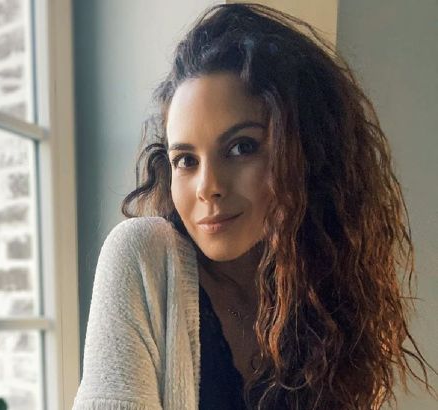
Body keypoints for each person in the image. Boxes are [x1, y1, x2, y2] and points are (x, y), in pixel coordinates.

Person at [72, 3, 436, 409]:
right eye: (186, 160)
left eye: (241, 147)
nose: (208, 187)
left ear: (306, 153)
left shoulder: (336, 301)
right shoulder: (143, 258)